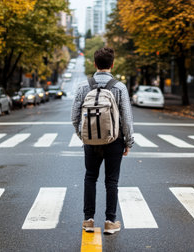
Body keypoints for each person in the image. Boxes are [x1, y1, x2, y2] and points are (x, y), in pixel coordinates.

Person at [71, 47, 134, 234]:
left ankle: (88, 220)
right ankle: (110, 221)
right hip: (114, 140)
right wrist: (128, 142)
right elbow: (127, 118)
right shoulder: (119, 87)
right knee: (111, 181)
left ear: (95, 64)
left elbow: (75, 116)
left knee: (90, 177)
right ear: (112, 64)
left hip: (90, 141)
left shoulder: (83, 86)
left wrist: (83, 135)